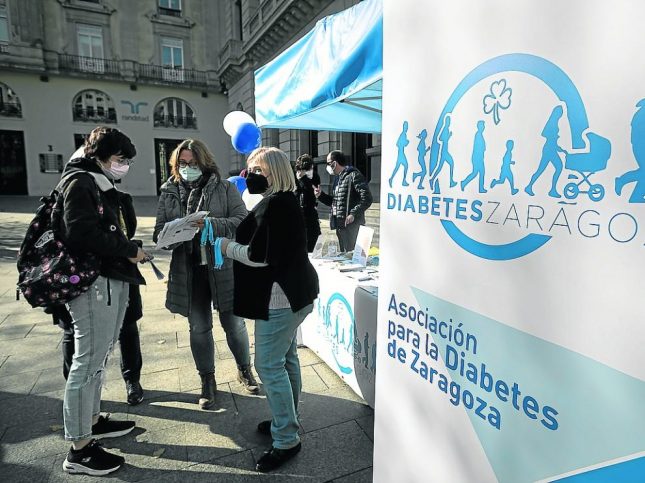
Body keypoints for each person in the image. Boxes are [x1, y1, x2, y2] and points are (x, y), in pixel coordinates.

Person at [219, 147, 319, 472]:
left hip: (281, 300)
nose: (251, 175)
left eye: (258, 170)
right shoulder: (284, 200)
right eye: (249, 169)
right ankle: (286, 418)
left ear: (275, 172)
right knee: (286, 359)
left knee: (268, 365)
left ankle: (287, 438)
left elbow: (258, 256)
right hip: (294, 295)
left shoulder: (276, 204)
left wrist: (225, 247)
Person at [58, 126, 147, 475]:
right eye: (119, 159)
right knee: (87, 362)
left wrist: (127, 247)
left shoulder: (97, 182)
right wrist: (128, 250)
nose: (123, 166)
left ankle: (92, 421)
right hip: (93, 283)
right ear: (98, 156)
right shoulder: (81, 182)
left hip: (109, 279)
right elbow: (80, 233)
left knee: (98, 358)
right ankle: (79, 449)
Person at [153, 139, 258, 410]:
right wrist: (174, 234)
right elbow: (159, 232)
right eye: (182, 163)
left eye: (193, 163)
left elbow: (242, 221)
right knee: (199, 328)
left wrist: (210, 224)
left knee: (234, 324)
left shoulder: (224, 188)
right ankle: (207, 380)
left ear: (204, 163)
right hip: (189, 270)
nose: (187, 168)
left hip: (222, 266)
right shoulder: (168, 192)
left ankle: (244, 370)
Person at [314, 150, 373, 252]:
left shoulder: (354, 175)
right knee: (344, 255)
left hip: (352, 226)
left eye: (328, 163)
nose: (327, 167)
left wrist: (353, 213)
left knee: (352, 254)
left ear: (334, 163)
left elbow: (367, 198)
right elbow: (335, 202)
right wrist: (321, 196)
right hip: (340, 225)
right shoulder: (338, 178)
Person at [294, 154, 321, 252]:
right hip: (299, 215)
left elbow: (311, 192)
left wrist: (303, 179)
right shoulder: (295, 177)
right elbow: (295, 194)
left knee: (313, 243)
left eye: (309, 169)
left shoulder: (315, 176)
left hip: (311, 214)